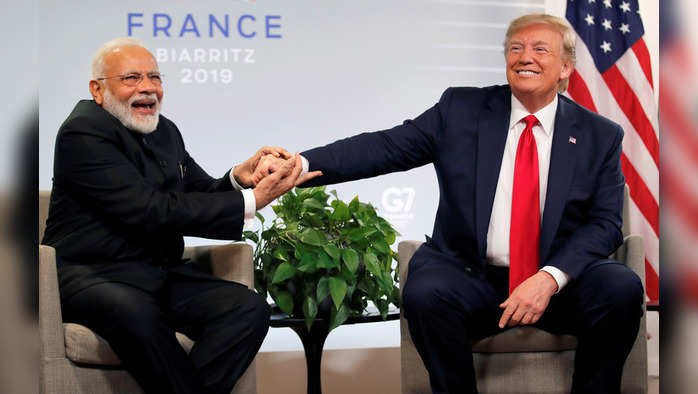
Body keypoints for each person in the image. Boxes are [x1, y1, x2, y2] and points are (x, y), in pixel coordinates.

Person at [255, 13, 644, 394]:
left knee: (621, 287)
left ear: (565, 68)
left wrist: (549, 278)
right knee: (425, 294)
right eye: (515, 48)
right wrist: (302, 163)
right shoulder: (461, 110)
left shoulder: (598, 134)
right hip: (473, 276)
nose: (525, 56)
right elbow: (384, 147)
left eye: (540, 49)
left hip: (558, 283)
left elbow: (606, 222)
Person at [41, 37, 319, 394]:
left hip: (156, 273)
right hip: (91, 273)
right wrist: (252, 201)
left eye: (155, 77)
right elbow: (148, 209)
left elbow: (195, 192)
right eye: (131, 78)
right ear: (98, 89)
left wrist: (239, 179)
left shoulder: (165, 130)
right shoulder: (82, 132)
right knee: (136, 314)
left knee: (246, 308)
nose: (147, 88)